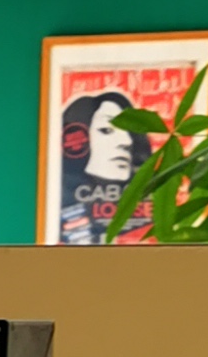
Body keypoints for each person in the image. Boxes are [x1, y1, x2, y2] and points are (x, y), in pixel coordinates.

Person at [56, 87, 156, 244]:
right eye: (106, 130)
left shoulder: (150, 217)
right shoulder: (63, 216)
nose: (126, 141)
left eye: (130, 132)